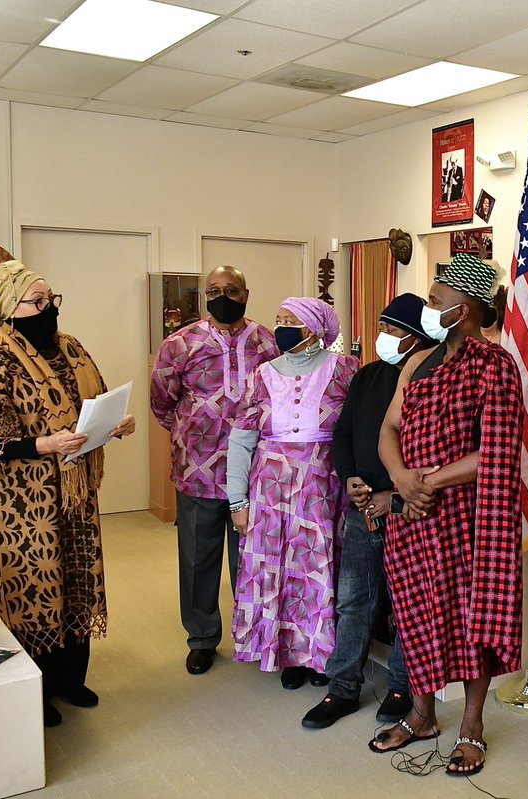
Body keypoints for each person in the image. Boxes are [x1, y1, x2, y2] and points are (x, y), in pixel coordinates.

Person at [0, 260, 135, 728]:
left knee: (77, 580)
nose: (49, 310)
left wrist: (113, 425)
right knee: (36, 588)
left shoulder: (71, 348)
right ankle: (34, 689)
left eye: (52, 299)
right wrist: (45, 444)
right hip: (23, 503)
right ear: (7, 309)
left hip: (74, 492)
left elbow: (89, 407)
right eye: (37, 302)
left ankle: (69, 680)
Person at [370, 254, 524, 777]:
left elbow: (495, 452)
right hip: (413, 516)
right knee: (415, 616)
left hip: (467, 522)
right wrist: (402, 480)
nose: (428, 309)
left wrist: (425, 482)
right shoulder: (419, 362)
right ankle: (422, 715)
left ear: (464, 309)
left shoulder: (495, 366)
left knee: (468, 620)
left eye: (436, 302)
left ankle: (472, 725)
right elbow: (389, 428)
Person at [301, 294, 435, 730]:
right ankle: (341, 689)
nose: (384, 336)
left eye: (393, 329)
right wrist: (349, 479)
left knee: (405, 603)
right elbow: (343, 432)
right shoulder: (367, 376)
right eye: (382, 325)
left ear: (416, 337)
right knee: (354, 602)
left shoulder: (430, 380)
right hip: (361, 509)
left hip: (407, 511)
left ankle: (401, 686)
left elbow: (429, 456)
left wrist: (392, 498)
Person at [150, 266, 279, 676]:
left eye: (231, 290)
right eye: (214, 290)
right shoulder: (178, 343)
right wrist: (195, 434)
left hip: (256, 471)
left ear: (246, 293)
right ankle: (202, 638)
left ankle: (253, 633)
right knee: (198, 558)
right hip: (197, 470)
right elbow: (161, 401)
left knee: (250, 557)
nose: (223, 296)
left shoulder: (269, 342)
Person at [227, 297, 358, 688]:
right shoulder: (261, 375)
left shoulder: (345, 370)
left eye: (292, 321)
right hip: (269, 488)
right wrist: (238, 501)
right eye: (278, 319)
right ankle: (287, 655)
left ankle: (321, 654)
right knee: (277, 568)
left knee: (318, 568)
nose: (282, 328)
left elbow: (357, 428)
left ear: (315, 329)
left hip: (323, 485)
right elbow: (240, 441)